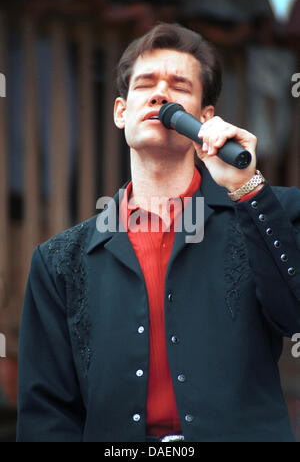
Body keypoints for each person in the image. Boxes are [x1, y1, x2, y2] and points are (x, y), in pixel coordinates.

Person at [17, 22, 300, 442]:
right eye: (146, 83)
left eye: (179, 86)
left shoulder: (267, 210)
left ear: (206, 119)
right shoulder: (59, 259)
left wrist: (246, 188)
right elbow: (46, 414)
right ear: (120, 112)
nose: (160, 94)